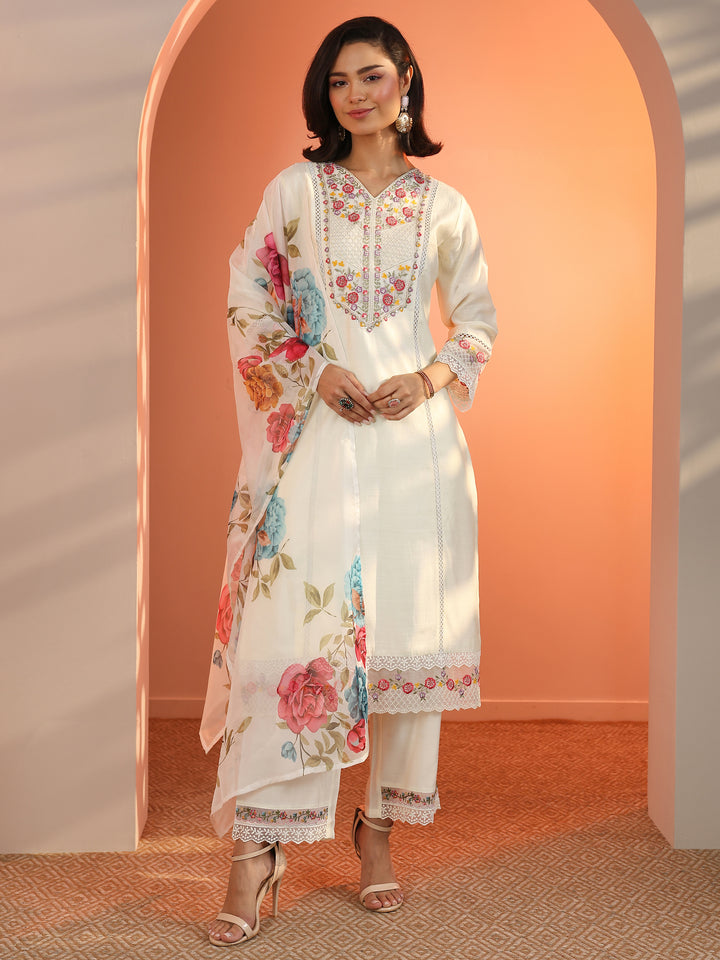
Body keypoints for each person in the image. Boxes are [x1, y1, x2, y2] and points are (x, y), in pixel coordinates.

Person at [201, 15, 497, 947]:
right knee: (295, 638)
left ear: (406, 80)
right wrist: (314, 367)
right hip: (318, 439)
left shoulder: (444, 206)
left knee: (405, 647)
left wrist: (431, 377)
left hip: (416, 454)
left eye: (370, 76)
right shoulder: (295, 192)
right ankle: (257, 853)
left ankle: (378, 832)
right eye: (338, 82)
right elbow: (248, 298)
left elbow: (478, 321)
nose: (355, 95)